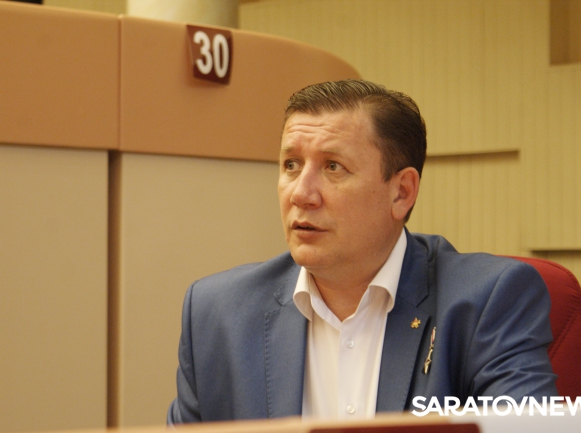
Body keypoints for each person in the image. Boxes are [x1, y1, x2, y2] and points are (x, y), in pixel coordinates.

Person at [167, 79, 557, 424]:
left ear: (401, 192)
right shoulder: (219, 314)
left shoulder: (486, 302)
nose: (301, 193)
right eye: (291, 164)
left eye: (333, 167)